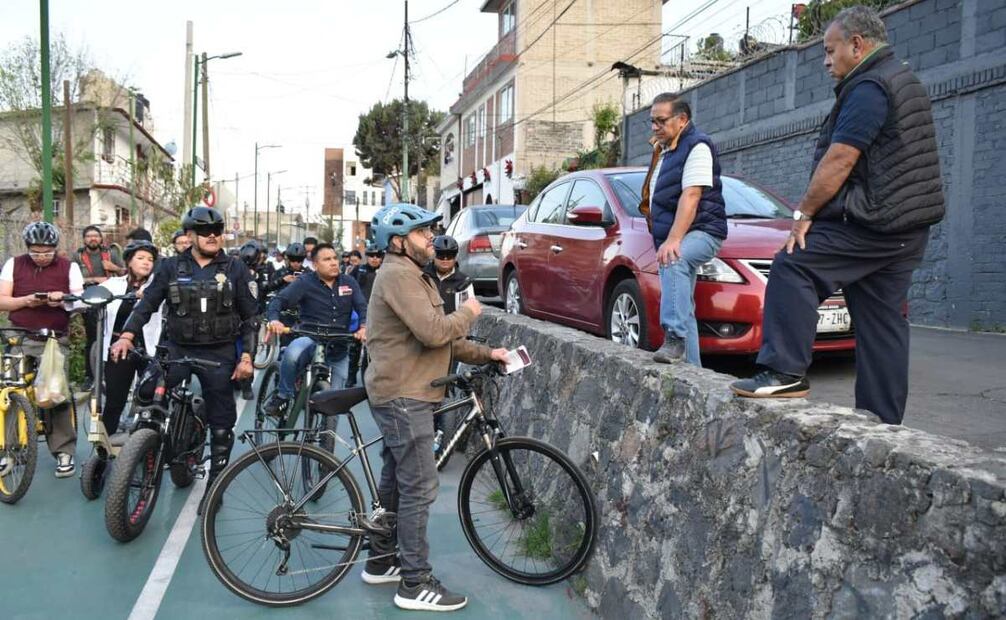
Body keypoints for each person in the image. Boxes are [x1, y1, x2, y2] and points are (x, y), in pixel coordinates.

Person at [731, 6, 944, 426]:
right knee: (880, 320)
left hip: (875, 222)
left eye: (830, 51)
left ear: (857, 45)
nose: (827, 62)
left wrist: (804, 213)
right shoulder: (904, 80)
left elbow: (841, 157)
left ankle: (785, 371)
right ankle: (880, 422)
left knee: (794, 264)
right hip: (907, 229)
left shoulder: (870, 86)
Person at [362, 203, 507, 612]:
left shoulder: (413, 276)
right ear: (398, 241)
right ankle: (414, 583)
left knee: (396, 480)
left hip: (407, 391)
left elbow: (445, 340)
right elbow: (433, 332)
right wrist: (470, 312)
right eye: (423, 233)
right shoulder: (398, 276)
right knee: (419, 488)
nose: (432, 239)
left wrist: (487, 352)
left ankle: (381, 559)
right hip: (405, 395)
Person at [109, 206, 258, 512]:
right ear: (190, 235)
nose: (212, 235)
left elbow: (251, 317)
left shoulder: (235, 268)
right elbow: (147, 304)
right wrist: (127, 335)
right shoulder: (169, 267)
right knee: (148, 393)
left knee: (221, 421)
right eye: (205, 231)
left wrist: (247, 357)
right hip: (177, 348)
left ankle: (216, 484)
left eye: (217, 229)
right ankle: (144, 452)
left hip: (219, 353)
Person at [643, 93, 727, 366]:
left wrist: (673, 239)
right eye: (652, 121)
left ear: (682, 120)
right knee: (684, 306)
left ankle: (675, 338)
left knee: (673, 259)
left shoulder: (697, 146)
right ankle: (693, 372)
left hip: (704, 230)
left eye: (661, 120)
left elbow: (691, 196)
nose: (655, 127)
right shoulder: (665, 149)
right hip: (682, 231)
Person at [0, 222, 85, 477]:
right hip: (18, 335)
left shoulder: (69, 267)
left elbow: (81, 302)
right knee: (10, 390)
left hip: (54, 338)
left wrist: (62, 299)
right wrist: (26, 300)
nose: (41, 256)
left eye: (47, 252)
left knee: (54, 392)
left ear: (55, 249)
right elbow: (3, 300)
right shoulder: (14, 264)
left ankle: (63, 451)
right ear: (27, 248)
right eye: (36, 252)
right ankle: (9, 449)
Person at [263, 243, 367, 415]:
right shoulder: (304, 282)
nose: (334, 263)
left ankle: (325, 439)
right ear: (315, 265)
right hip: (309, 338)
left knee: (337, 404)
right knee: (291, 354)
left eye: (335, 258)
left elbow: (363, 307)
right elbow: (279, 300)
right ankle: (282, 396)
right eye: (327, 259)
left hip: (339, 345)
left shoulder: (349, 282)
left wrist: (364, 326)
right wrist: (275, 320)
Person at [98, 240, 162, 435]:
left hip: (150, 350)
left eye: (150, 259)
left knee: (150, 400)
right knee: (114, 401)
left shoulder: (158, 286)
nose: (146, 263)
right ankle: (102, 451)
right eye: (140, 258)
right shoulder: (113, 284)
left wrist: (148, 294)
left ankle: (146, 445)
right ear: (129, 262)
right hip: (120, 349)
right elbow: (88, 298)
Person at [76, 225, 126, 390]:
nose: (93, 239)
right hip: (89, 301)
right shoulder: (77, 256)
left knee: (113, 336)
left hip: (112, 300)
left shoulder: (111, 254)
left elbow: (125, 273)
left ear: (101, 238)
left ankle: (111, 375)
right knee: (92, 339)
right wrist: (95, 280)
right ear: (84, 239)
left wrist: (114, 268)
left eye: (96, 236)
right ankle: (90, 377)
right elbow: (73, 277)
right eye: (89, 236)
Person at [346, 245, 383, 386]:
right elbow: (347, 284)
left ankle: (368, 379)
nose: (374, 259)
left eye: (378, 256)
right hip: (359, 313)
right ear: (367, 257)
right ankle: (351, 377)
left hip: (378, 314)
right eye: (372, 256)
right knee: (354, 348)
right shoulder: (358, 269)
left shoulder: (385, 271)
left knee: (372, 349)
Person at [423, 235, 474, 315]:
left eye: (450, 255)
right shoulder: (423, 276)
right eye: (441, 255)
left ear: (455, 257)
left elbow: (467, 313)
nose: (445, 259)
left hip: (452, 325)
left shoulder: (464, 283)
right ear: (433, 255)